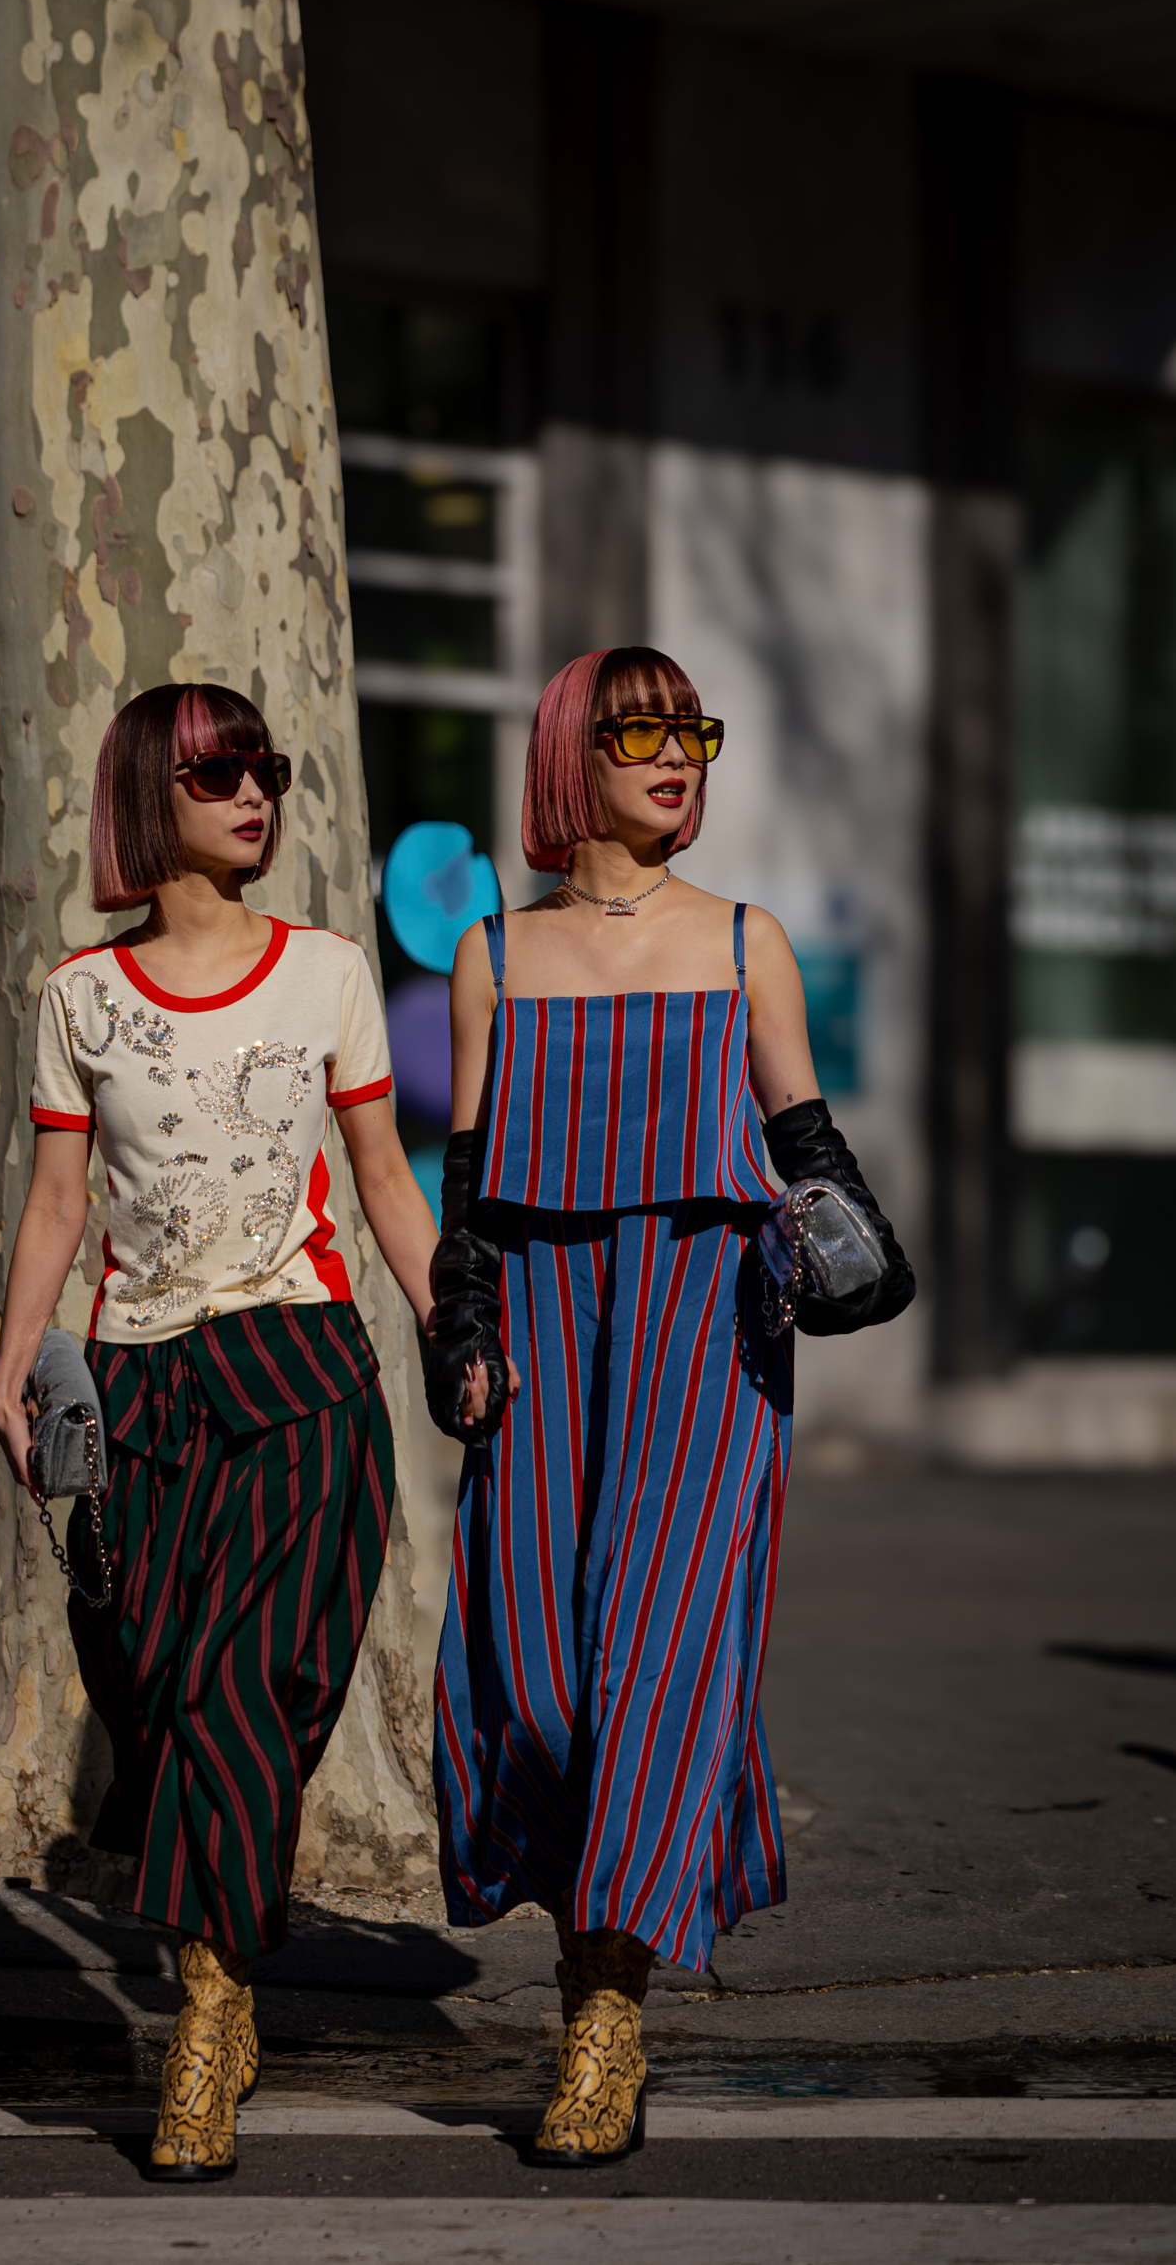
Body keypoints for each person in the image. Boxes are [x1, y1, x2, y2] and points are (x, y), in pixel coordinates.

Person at [424, 645, 912, 2167]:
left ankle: (603, 2019)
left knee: (657, 1658)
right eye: (644, 734)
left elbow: (808, 1142)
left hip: (709, 1331)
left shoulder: (747, 940)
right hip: (541, 1332)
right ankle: (596, 1942)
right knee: (535, 1676)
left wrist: (854, 1246)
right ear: (572, 754)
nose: (680, 757)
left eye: (693, 731)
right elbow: (464, 1190)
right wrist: (460, 1327)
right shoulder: (492, 956)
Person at [0, 681, 475, 2185]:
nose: (256, 792)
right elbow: (58, 1203)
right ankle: (220, 1951)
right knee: (147, 1684)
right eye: (221, 772)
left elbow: (384, 1178)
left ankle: (207, 2013)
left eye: (267, 768)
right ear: (154, 794)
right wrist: (10, 1367)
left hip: (300, 1373)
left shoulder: (327, 972)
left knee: (238, 1688)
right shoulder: (80, 998)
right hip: (136, 1389)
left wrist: (453, 1325)